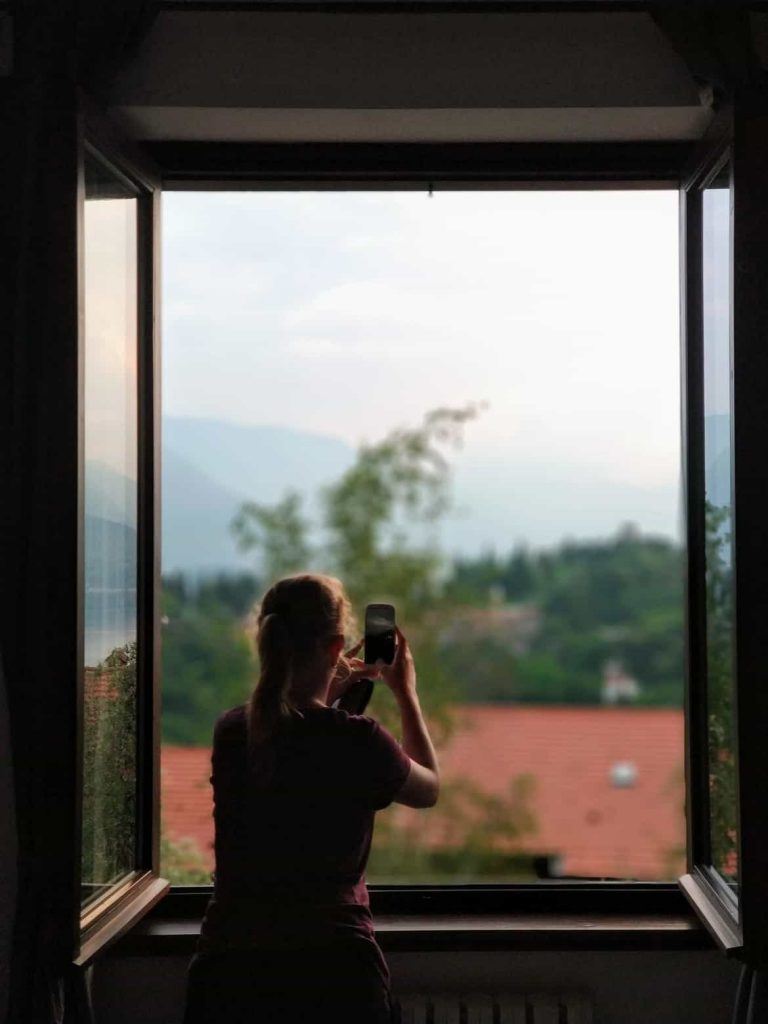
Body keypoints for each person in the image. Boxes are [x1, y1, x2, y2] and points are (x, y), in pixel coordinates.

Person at [183, 573, 440, 1024]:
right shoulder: (357, 740)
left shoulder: (231, 731)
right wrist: (406, 694)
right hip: (333, 971)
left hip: (229, 969)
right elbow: (428, 789)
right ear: (337, 646)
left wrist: (327, 695)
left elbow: (297, 748)